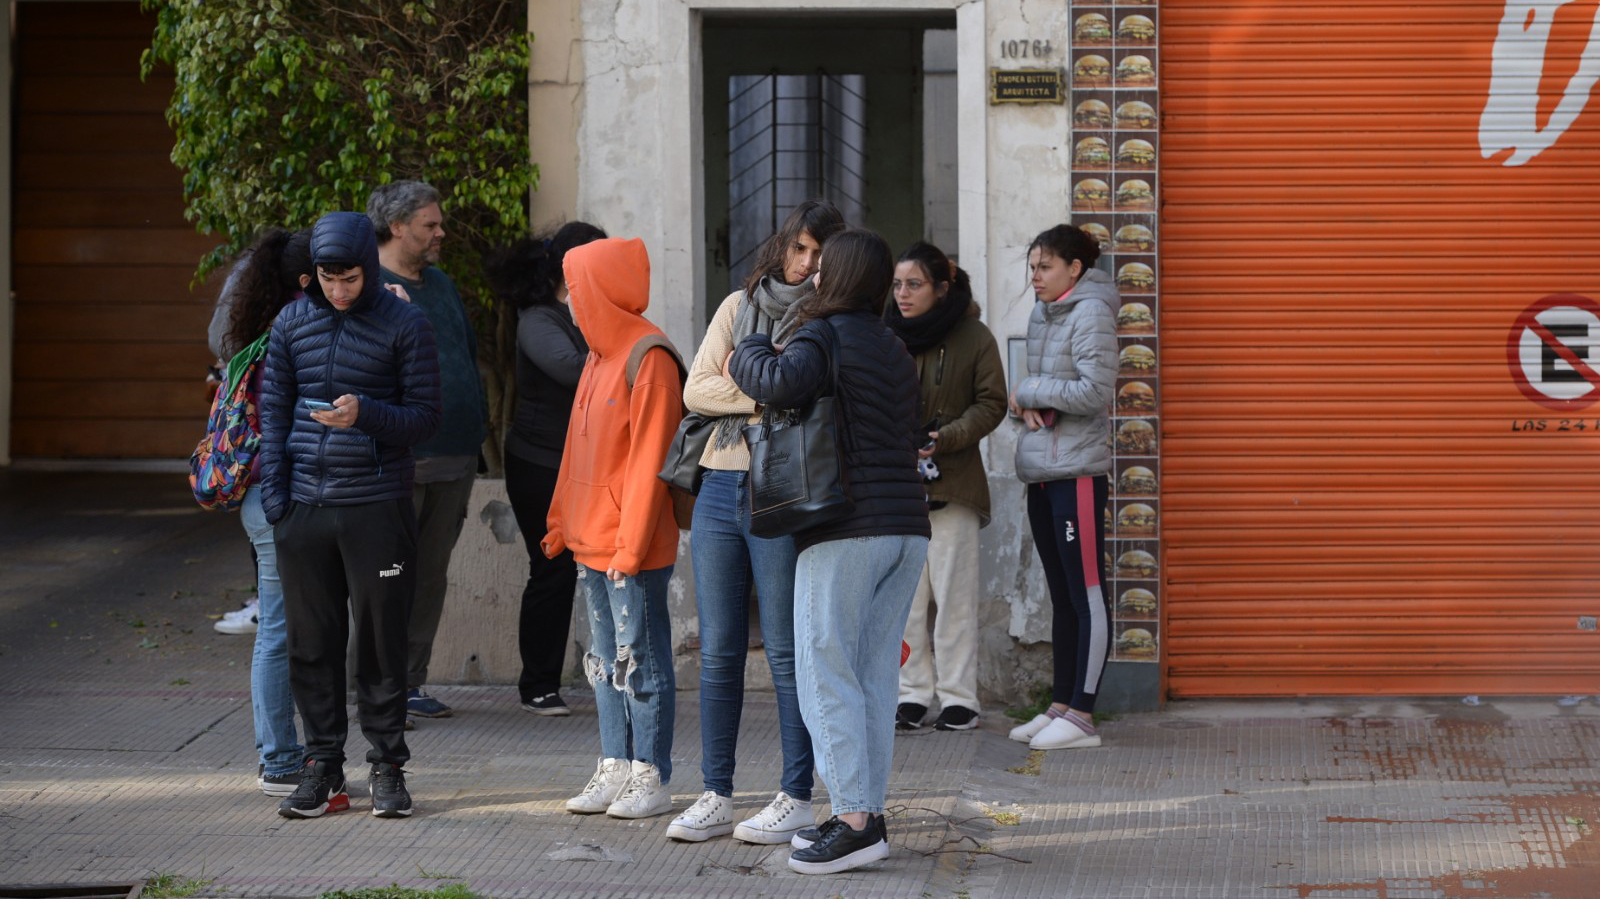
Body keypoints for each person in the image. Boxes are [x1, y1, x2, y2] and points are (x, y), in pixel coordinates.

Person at [729, 228, 931, 875]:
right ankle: (864, 814)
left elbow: (777, 382)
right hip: (906, 527)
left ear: (831, 278)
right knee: (873, 673)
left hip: (847, 527)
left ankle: (852, 819)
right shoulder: (894, 347)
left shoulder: (825, 334)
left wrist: (750, 343)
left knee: (823, 669)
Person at [666, 200, 845, 845]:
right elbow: (695, 390)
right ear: (782, 248)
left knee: (787, 651)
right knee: (718, 652)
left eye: (821, 254)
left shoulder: (828, 321)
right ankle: (715, 792)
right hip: (719, 482)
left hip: (782, 491)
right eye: (800, 248)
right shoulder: (738, 307)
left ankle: (797, 794)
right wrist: (769, 387)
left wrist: (747, 380)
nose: (807, 264)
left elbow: (817, 398)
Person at [259, 211, 442, 818]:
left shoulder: (405, 323)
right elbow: (274, 414)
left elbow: (423, 418)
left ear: (369, 265)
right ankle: (323, 769)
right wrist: (279, 504)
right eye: (328, 279)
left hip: (376, 505)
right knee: (311, 644)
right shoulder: (291, 321)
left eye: (350, 279)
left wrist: (364, 414)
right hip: (304, 509)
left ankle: (388, 767)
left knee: (381, 644)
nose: (338, 291)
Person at [542, 237, 683, 821]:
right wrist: (559, 522)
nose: (570, 302)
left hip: (633, 547)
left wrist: (629, 546)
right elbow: (576, 452)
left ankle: (651, 774)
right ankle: (615, 765)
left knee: (642, 659)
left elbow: (653, 462)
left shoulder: (647, 356)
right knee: (603, 661)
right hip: (591, 541)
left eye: (576, 289)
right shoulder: (598, 358)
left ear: (597, 290)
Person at [368, 180, 488, 722]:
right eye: (430, 225)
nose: (441, 232)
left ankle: (411, 681)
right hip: (399, 459)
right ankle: (371, 682)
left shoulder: (439, 283)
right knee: (387, 572)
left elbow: (465, 350)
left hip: (456, 454)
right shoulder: (366, 286)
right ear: (397, 227)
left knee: (431, 573)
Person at [485, 221, 608, 717]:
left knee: (584, 569)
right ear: (572, 265)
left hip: (581, 463)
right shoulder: (540, 318)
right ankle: (537, 685)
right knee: (552, 569)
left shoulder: (593, 310)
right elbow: (576, 371)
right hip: (539, 463)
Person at [884, 241, 1007, 733]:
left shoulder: (974, 336)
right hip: (897, 488)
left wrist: (948, 436)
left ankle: (959, 698)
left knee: (953, 599)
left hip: (953, 485)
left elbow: (992, 401)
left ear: (940, 287)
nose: (902, 294)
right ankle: (912, 694)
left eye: (914, 284)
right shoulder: (887, 335)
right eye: (896, 285)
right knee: (905, 601)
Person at [1004, 224, 1119, 752]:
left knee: (1085, 592)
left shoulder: (1091, 311)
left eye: (1045, 266)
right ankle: (1062, 704)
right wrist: (1024, 403)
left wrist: (1027, 390)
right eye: (1032, 267)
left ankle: (1084, 714)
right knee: (1060, 595)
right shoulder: (1043, 313)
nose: (1035, 277)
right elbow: (1042, 396)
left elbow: (1095, 390)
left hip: (1076, 474)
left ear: (1075, 268)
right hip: (1043, 471)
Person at [213, 228, 315, 795]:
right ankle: (279, 760)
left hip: (256, 496)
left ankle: (279, 754)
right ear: (308, 279)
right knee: (280, 629)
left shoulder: (252, 334)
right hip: (281, 494)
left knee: (278, 628)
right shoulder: (297, 332)